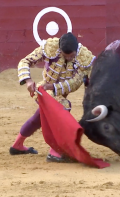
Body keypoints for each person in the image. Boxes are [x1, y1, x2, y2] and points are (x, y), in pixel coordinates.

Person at [11, 33, 95, 162]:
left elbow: (76, 82)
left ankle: (17, 145)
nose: (68, 58)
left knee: (38, 118)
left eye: (71, 56)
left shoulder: (84, 57)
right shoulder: (51, 47)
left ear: (76, 51)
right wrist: (28, 80)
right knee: (63, 106)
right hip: (43, 91)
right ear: (60, 50)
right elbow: (25, 61)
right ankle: (54, 152)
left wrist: (54, 87)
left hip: (55, 90)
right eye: (65, 55)